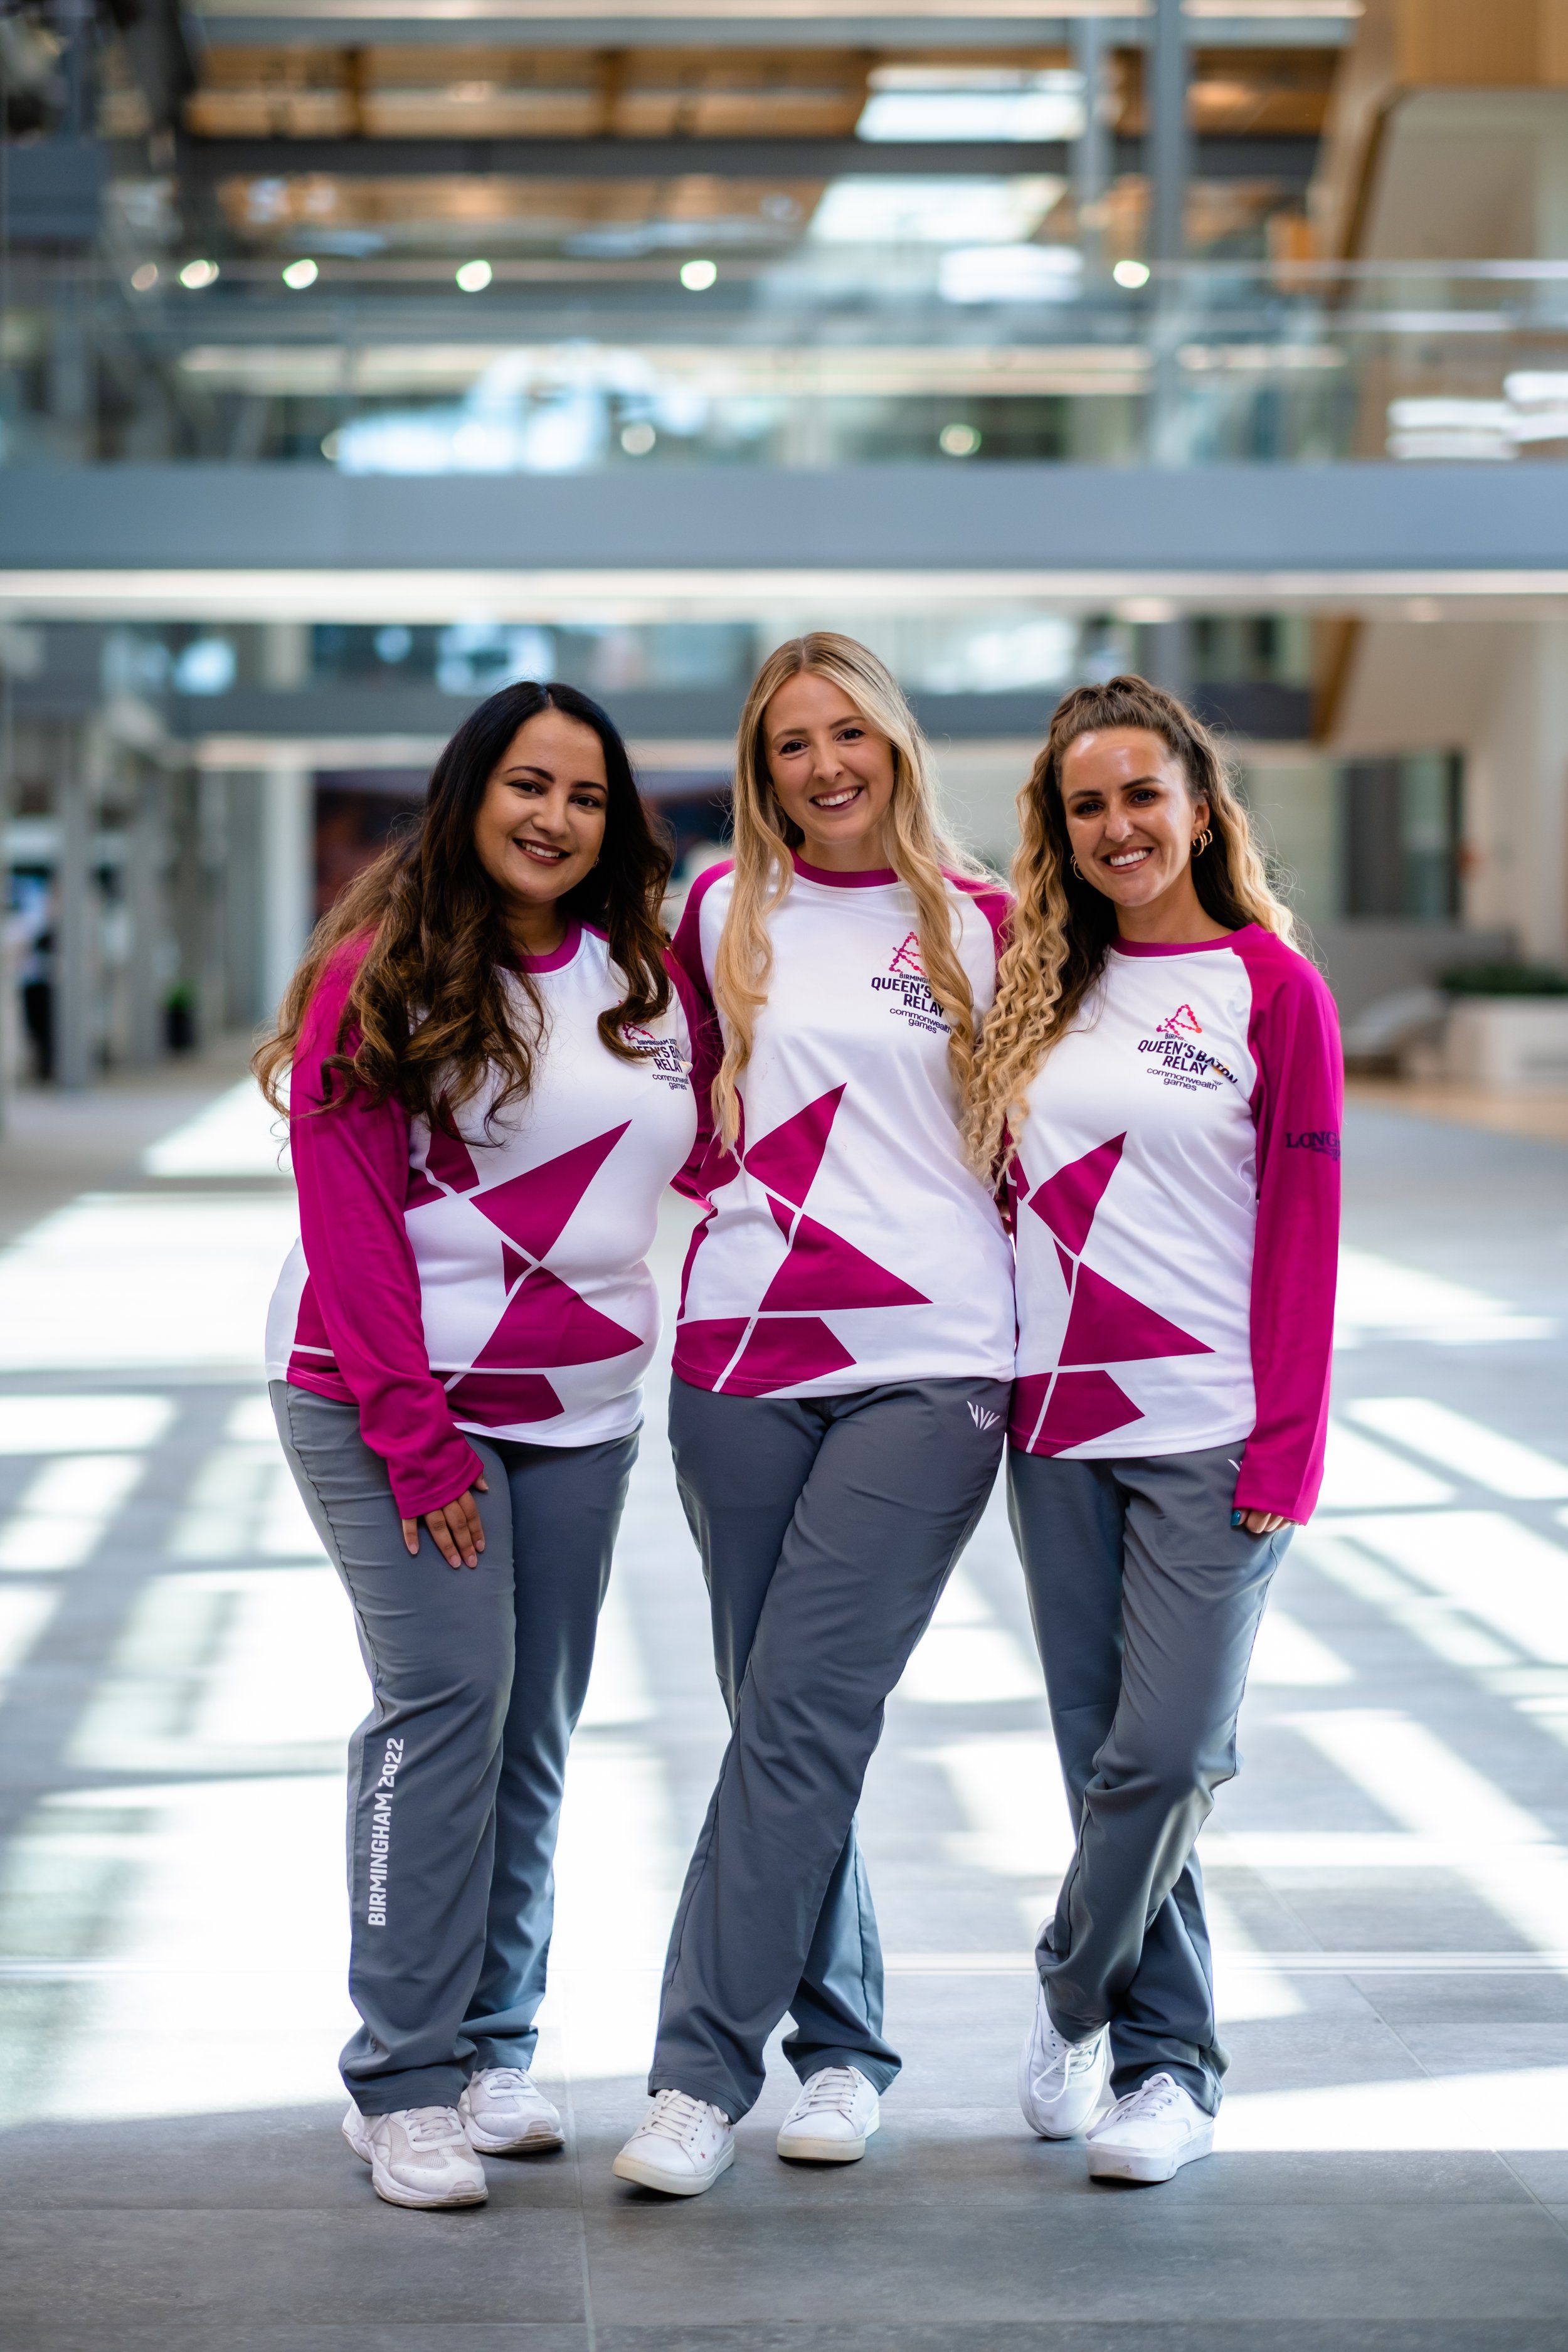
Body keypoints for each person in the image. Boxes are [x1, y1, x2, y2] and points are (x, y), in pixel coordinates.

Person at [256, 680, 697, 2210]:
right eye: (527, 783)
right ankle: (399, 2078)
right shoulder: (382, 970)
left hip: (577, 1416)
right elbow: (350, 1220)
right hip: (383, 1397)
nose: (553, 818)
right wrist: (416, 1441)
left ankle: (494, 2041)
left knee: (535, 1724)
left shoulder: (645, 981)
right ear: (469, 792)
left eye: (584, 795)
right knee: (444, 1698)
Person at [612, 632, 1015, 2198]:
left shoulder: (986, 924)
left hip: (927, 1359)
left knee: (798, 1717)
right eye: (790, 744)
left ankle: (695, 2076)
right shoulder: (722, 909)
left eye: (847, 732)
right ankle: (841, 2048)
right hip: (739, 1362)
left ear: (894, 744)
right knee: (781, 1719)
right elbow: (677, 1100)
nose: (822, 765)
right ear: (758, 767)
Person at [966, 675, 1342, 2186]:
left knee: (1171, 1754)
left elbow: (1304, 1234)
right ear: (1059, 830)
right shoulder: (1033, 984)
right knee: (1100, 1753)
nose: (1117, 825)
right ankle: (1164, 2072)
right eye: (1085, 803)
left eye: (1141, 794)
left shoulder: (1270, 989)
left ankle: (1068, 1991)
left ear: (1198, 805)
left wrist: (1287, 1447)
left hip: (1209, 1426)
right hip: (1054, 1427)